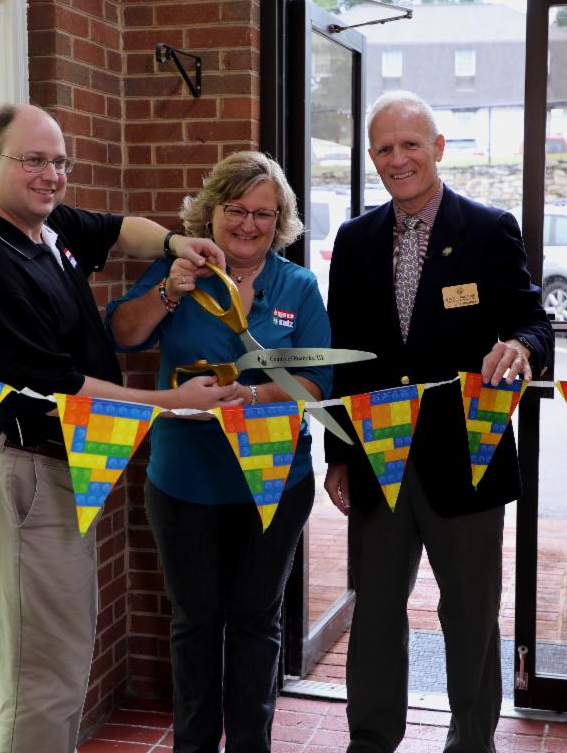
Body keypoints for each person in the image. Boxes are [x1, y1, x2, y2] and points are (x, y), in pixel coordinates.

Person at [0, 103, 241, 753]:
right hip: (24, 472)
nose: (51, 175)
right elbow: (63, 389)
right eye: (33, 160)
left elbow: (119, 229)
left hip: (57, 469)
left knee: (60, 655)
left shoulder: (40, 225)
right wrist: (169, 401)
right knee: (40, 674)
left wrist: (175, 243)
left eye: (59, 162)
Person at [324, 91, 554, 752]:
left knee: (471, 615)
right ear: (372, 157)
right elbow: (342, 355)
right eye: (385, 149)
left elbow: (535, 320)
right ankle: (371, 739)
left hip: (467, 458)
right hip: (377, 455)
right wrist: (337, 455)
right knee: (375, 612)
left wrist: (524, 347)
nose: (398, 159)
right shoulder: (354, 240)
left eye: (410, 145)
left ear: (439, 148)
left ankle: (471, 742)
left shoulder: (487, 229)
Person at [108, 151, 331, 753]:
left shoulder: (298, 286)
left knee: (257, 622)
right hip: (185, 479)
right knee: (195, 623)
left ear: (279, 221)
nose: (249, 224)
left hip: (275, 481)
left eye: (264, 213)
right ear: (210, 212)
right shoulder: (180, 271)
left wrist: (250, 396)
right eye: (236, 209)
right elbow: (123, 335)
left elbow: (317, 382)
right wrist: (168, 292)